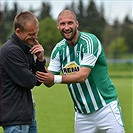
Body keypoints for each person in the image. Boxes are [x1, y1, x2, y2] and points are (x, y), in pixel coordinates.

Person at [36, 10, 125, 133]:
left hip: (105, 109)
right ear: (58, 26)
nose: (66, 27)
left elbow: (82, 76)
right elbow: (49, 81)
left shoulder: (89, 41)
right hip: (82, 115)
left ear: (76, 24)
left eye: (70, 23)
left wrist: (54, 78)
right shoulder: (58, 49)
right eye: (62, 24)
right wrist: (40, 59)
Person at [0, 11, 46, 133]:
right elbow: (30, 81)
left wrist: (40, 59)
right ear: (18, 32)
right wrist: (35, 72)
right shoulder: (11, 51)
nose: (35, 37)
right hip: (15, 118)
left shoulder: (26, 48)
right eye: (31, 34)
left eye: (36, 33)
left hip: (26, 115)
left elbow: (37, 81)